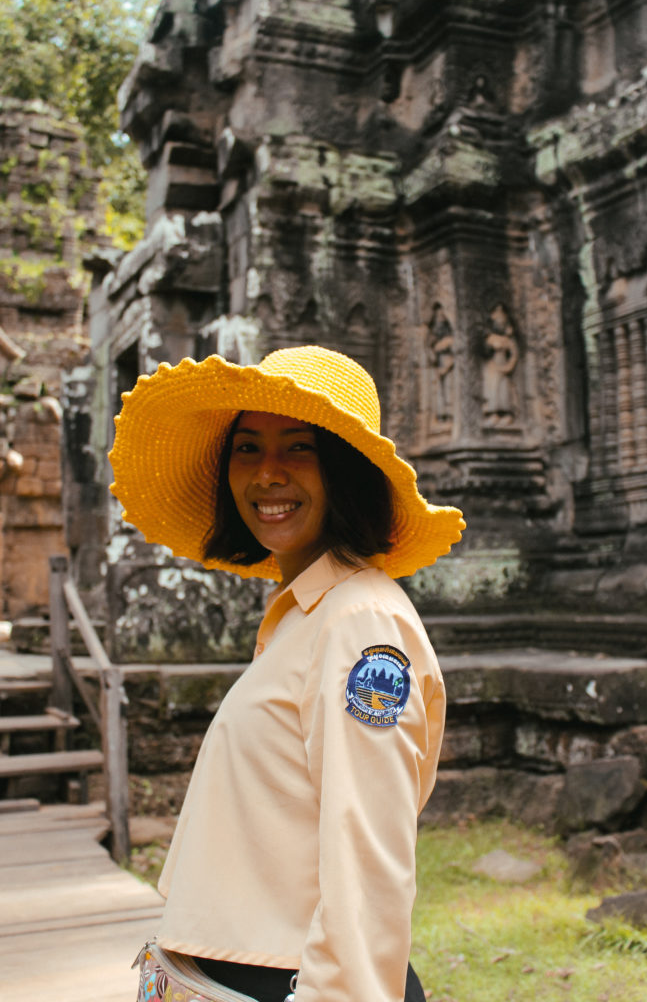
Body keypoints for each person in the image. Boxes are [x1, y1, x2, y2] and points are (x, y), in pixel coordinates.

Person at [109, 345, 466, 1002]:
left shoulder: (360, 624)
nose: (267, 474)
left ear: (346, 470)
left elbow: (367, 853)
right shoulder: (306, 614)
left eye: (298, 448)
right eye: (247, 449)